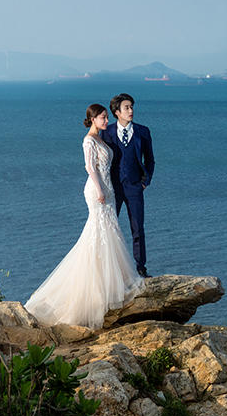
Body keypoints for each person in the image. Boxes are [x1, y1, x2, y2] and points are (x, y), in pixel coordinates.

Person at [24, 105, 143, 329]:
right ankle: (95, 287)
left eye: (107, 116)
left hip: (108, 191)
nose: (107, 119)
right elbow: (90, 167)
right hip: (97, 191)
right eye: (103, 117)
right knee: (99, 233)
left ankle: (110, 281)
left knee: (110, 232)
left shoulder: (100, 139)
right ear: (92, 119)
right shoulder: (88, 141)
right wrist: (99, 190)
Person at [102, 92, 155, 277]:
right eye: (127, 107)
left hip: (134, 188)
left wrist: (144, 182)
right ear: (117, 112)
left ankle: (141, 267)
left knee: (138, 228)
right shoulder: (107, 132)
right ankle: (111, 268)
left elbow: (150, 160)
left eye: (132, 107)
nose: (131, 110)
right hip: (114, 188)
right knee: (110, 228)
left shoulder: (143, 131)